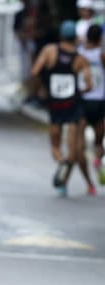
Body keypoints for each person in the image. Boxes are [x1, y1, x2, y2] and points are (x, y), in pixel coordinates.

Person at [31, 20, 95, 197]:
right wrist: (79, 90)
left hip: (55, 104)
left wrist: (42, 88)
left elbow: (35, 72)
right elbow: (89, 85)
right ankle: (67, 166)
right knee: (73, 147)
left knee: (55, 144)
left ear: (60, 35)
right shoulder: (80, 59)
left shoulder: (49, 51)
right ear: (75, 38)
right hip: (73, 104)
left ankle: (61, 161)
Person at [78, 24, 105, 186]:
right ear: (100, 38)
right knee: (98, 142)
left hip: (82, 99)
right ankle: (97, 161)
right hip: (100, 100)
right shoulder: (101, 55)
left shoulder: (79, 54)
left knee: (79, 142)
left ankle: (88, 181)